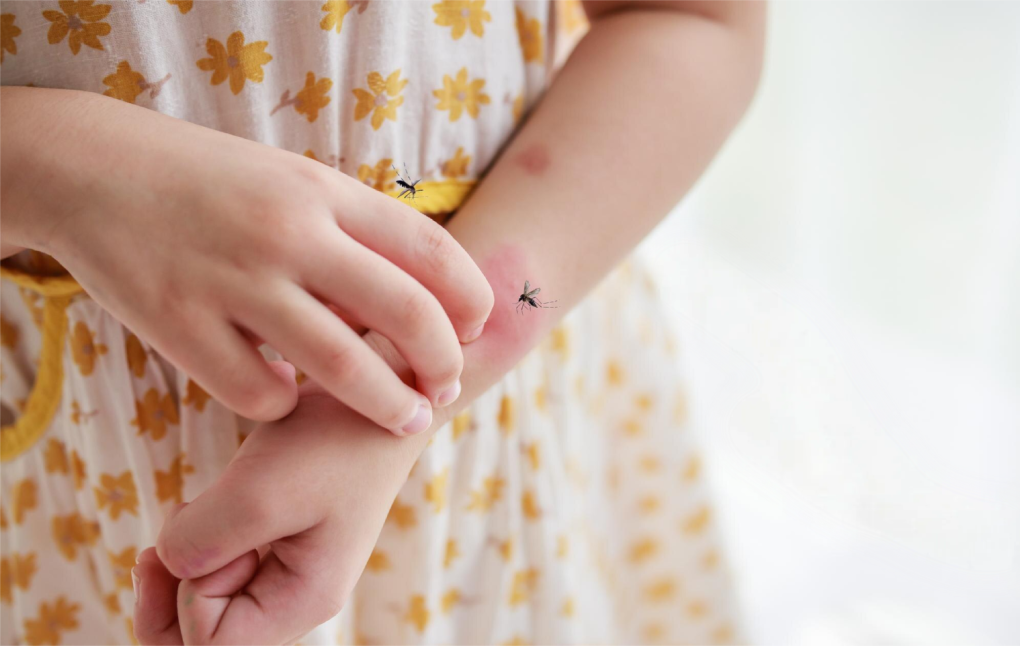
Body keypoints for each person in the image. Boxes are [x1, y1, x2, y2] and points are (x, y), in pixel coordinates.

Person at [0, 0, 765, 644]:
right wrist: (64, 174)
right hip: (71, 459)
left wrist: (383, 397)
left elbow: (695, 19)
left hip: (498, 428)